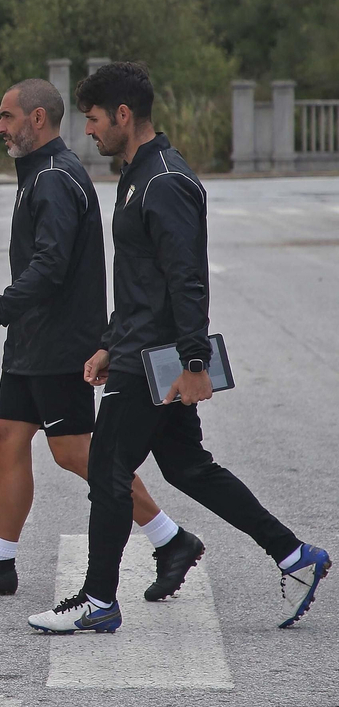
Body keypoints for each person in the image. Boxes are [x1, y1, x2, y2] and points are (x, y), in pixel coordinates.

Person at [29, 62, 329, 634]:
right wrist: (109, 343)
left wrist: (194, 363)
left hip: (160, 361)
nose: (87, 131)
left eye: (92, 119)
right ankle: (294, 555)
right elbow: (142, 281)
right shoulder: (138, 172)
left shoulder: (164, 180)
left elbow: (185, 278)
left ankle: (98, 602)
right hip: (141, 349)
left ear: (123, 115)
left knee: (108, 468)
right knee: (186, 465)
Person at [0, 79, 193, 599]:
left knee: (78, 453)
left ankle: (170, 540)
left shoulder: (54, 177)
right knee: (8, 436)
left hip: (58, 343)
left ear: (37, 119)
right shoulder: (38, 173)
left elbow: (50, 266)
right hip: (31, 344)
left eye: (7, 117)